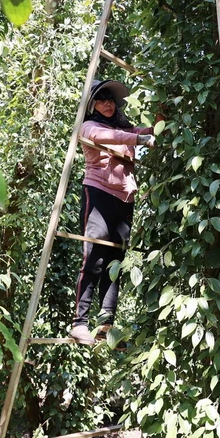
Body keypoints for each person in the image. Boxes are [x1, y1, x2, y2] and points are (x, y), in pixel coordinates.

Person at [68, 79, 156, 347]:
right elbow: (105, 137)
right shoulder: (89, 126)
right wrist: (137, 138)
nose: (108, 103)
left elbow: (151, 130)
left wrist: (163, 113)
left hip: (124, 199)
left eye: (111, 99)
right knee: (93, 259)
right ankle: (79, 324)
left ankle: (106, 327)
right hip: (99, 193)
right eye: (102, 98)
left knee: (114, 265)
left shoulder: (124, 128)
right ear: (92, 103)